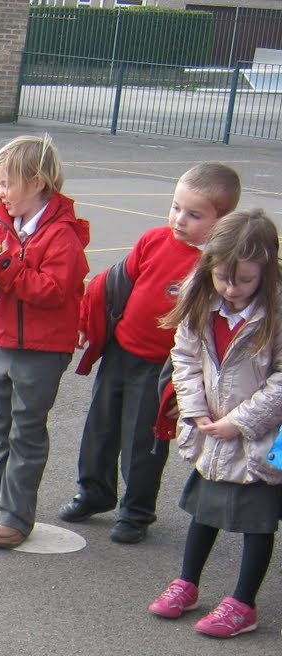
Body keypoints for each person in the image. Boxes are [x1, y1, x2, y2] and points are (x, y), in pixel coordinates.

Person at [63, 163, 242, 544]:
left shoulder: (217, 267)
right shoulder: (154, 239)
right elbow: (113, 285)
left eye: (194, 215)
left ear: (222, 220)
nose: (179, 220)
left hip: (162, 368)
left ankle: (136, 511)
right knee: (101, 427)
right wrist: (87, 323)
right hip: (121, 351)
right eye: (176, 207)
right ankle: (94, 491)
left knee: (144, 440)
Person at [147, 209, 282, 638]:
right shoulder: (201, 298)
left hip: (258, 438)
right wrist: (195, 409)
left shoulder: (275, 314)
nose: (231, 287)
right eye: (223, 276)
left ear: (266, 271)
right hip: (211, 431)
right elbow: (184, 357)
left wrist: (239, 422)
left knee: (257, 523)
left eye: (243, 280)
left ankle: (243, 603)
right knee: (203, 511)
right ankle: (187, 582)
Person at [0, 133, 91, 549]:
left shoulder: (62, 236)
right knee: (0, 426)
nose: (1, 192)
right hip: (7, 340)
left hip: (44, 347)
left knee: (26, 432)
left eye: (7, 183)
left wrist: (2, 265)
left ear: (37, 182)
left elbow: (53, 291)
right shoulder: (5, 226)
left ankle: (16, 516)